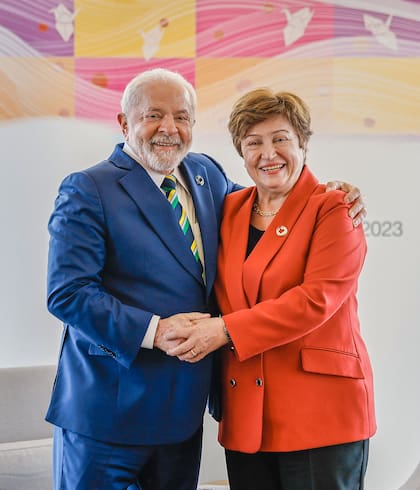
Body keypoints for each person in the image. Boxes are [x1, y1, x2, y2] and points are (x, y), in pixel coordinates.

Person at [46, 68, 367, 490]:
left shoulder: (205, 176)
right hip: (107, 412)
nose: (169, 128)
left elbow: (275, 197)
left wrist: (337, 190)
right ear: (124, 123)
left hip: (183, 414)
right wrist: (155, 331)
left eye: (181, 117)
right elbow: (67, 293)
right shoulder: (89, 187)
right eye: (153, 115)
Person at [166, 88, 376, 489]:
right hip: (248, 413)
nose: (269, 154)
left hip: (321, 412)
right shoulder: (228, 209)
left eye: (281, 139)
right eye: (254, 143)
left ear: (303, 144)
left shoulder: (333, 207)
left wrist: (224, 329)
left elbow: (315, 301)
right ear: (240, 152)